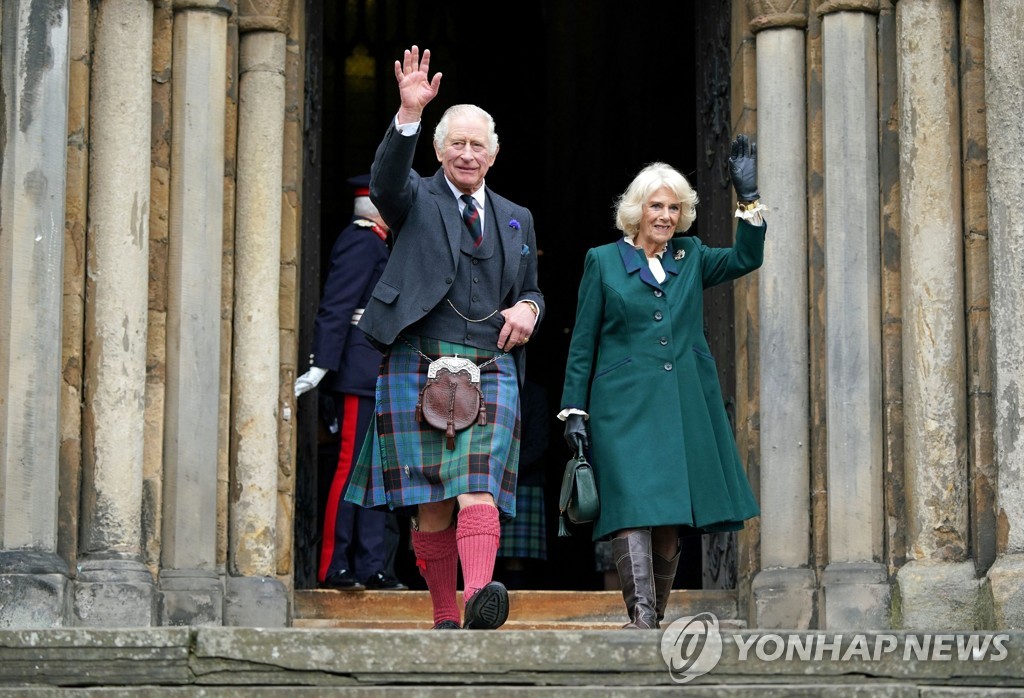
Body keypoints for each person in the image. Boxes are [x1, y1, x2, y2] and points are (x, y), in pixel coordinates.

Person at [343, 45, 544, 630]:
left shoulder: (516, 216)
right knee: (432, 505)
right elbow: (385, 179)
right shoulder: (414, 198)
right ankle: (443, 615)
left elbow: (532, 286)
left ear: (495, 154)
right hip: (419, 356)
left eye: (477, 144)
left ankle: (479, 596)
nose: (467, 152)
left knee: (478, 485)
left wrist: (530, 307)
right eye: (456, 142)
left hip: (491, 362)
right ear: (437, 150)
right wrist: (409, 112)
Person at [559, 136, 765, 629]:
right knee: (630, 508)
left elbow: (745, 259)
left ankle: (655, 617)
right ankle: (642, 619)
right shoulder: (603, 261)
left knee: (670, 518)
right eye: (657, 205)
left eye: (675, 207)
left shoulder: (690, 256)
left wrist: (750, 199)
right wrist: (574, 409)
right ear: (637, 209)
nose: (666, 216)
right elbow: (583, 340)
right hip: (621, 408)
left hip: (680, 405)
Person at [294, 175, 407, 592]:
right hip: (359, 373)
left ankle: (370, 564)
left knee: (376, 474)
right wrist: (322, 365)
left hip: (376, 371)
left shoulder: (378, 244)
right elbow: (337, 306)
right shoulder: (362, 241)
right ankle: (335, 564)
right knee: (349, 472)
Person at [495, 379, 550, 589]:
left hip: (524, 481)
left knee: (515, 559)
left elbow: (539, 443)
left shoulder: (534, 394)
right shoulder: (490, 387)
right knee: (481, 547)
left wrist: (504, 468)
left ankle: (516, 604)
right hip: (489, 478)